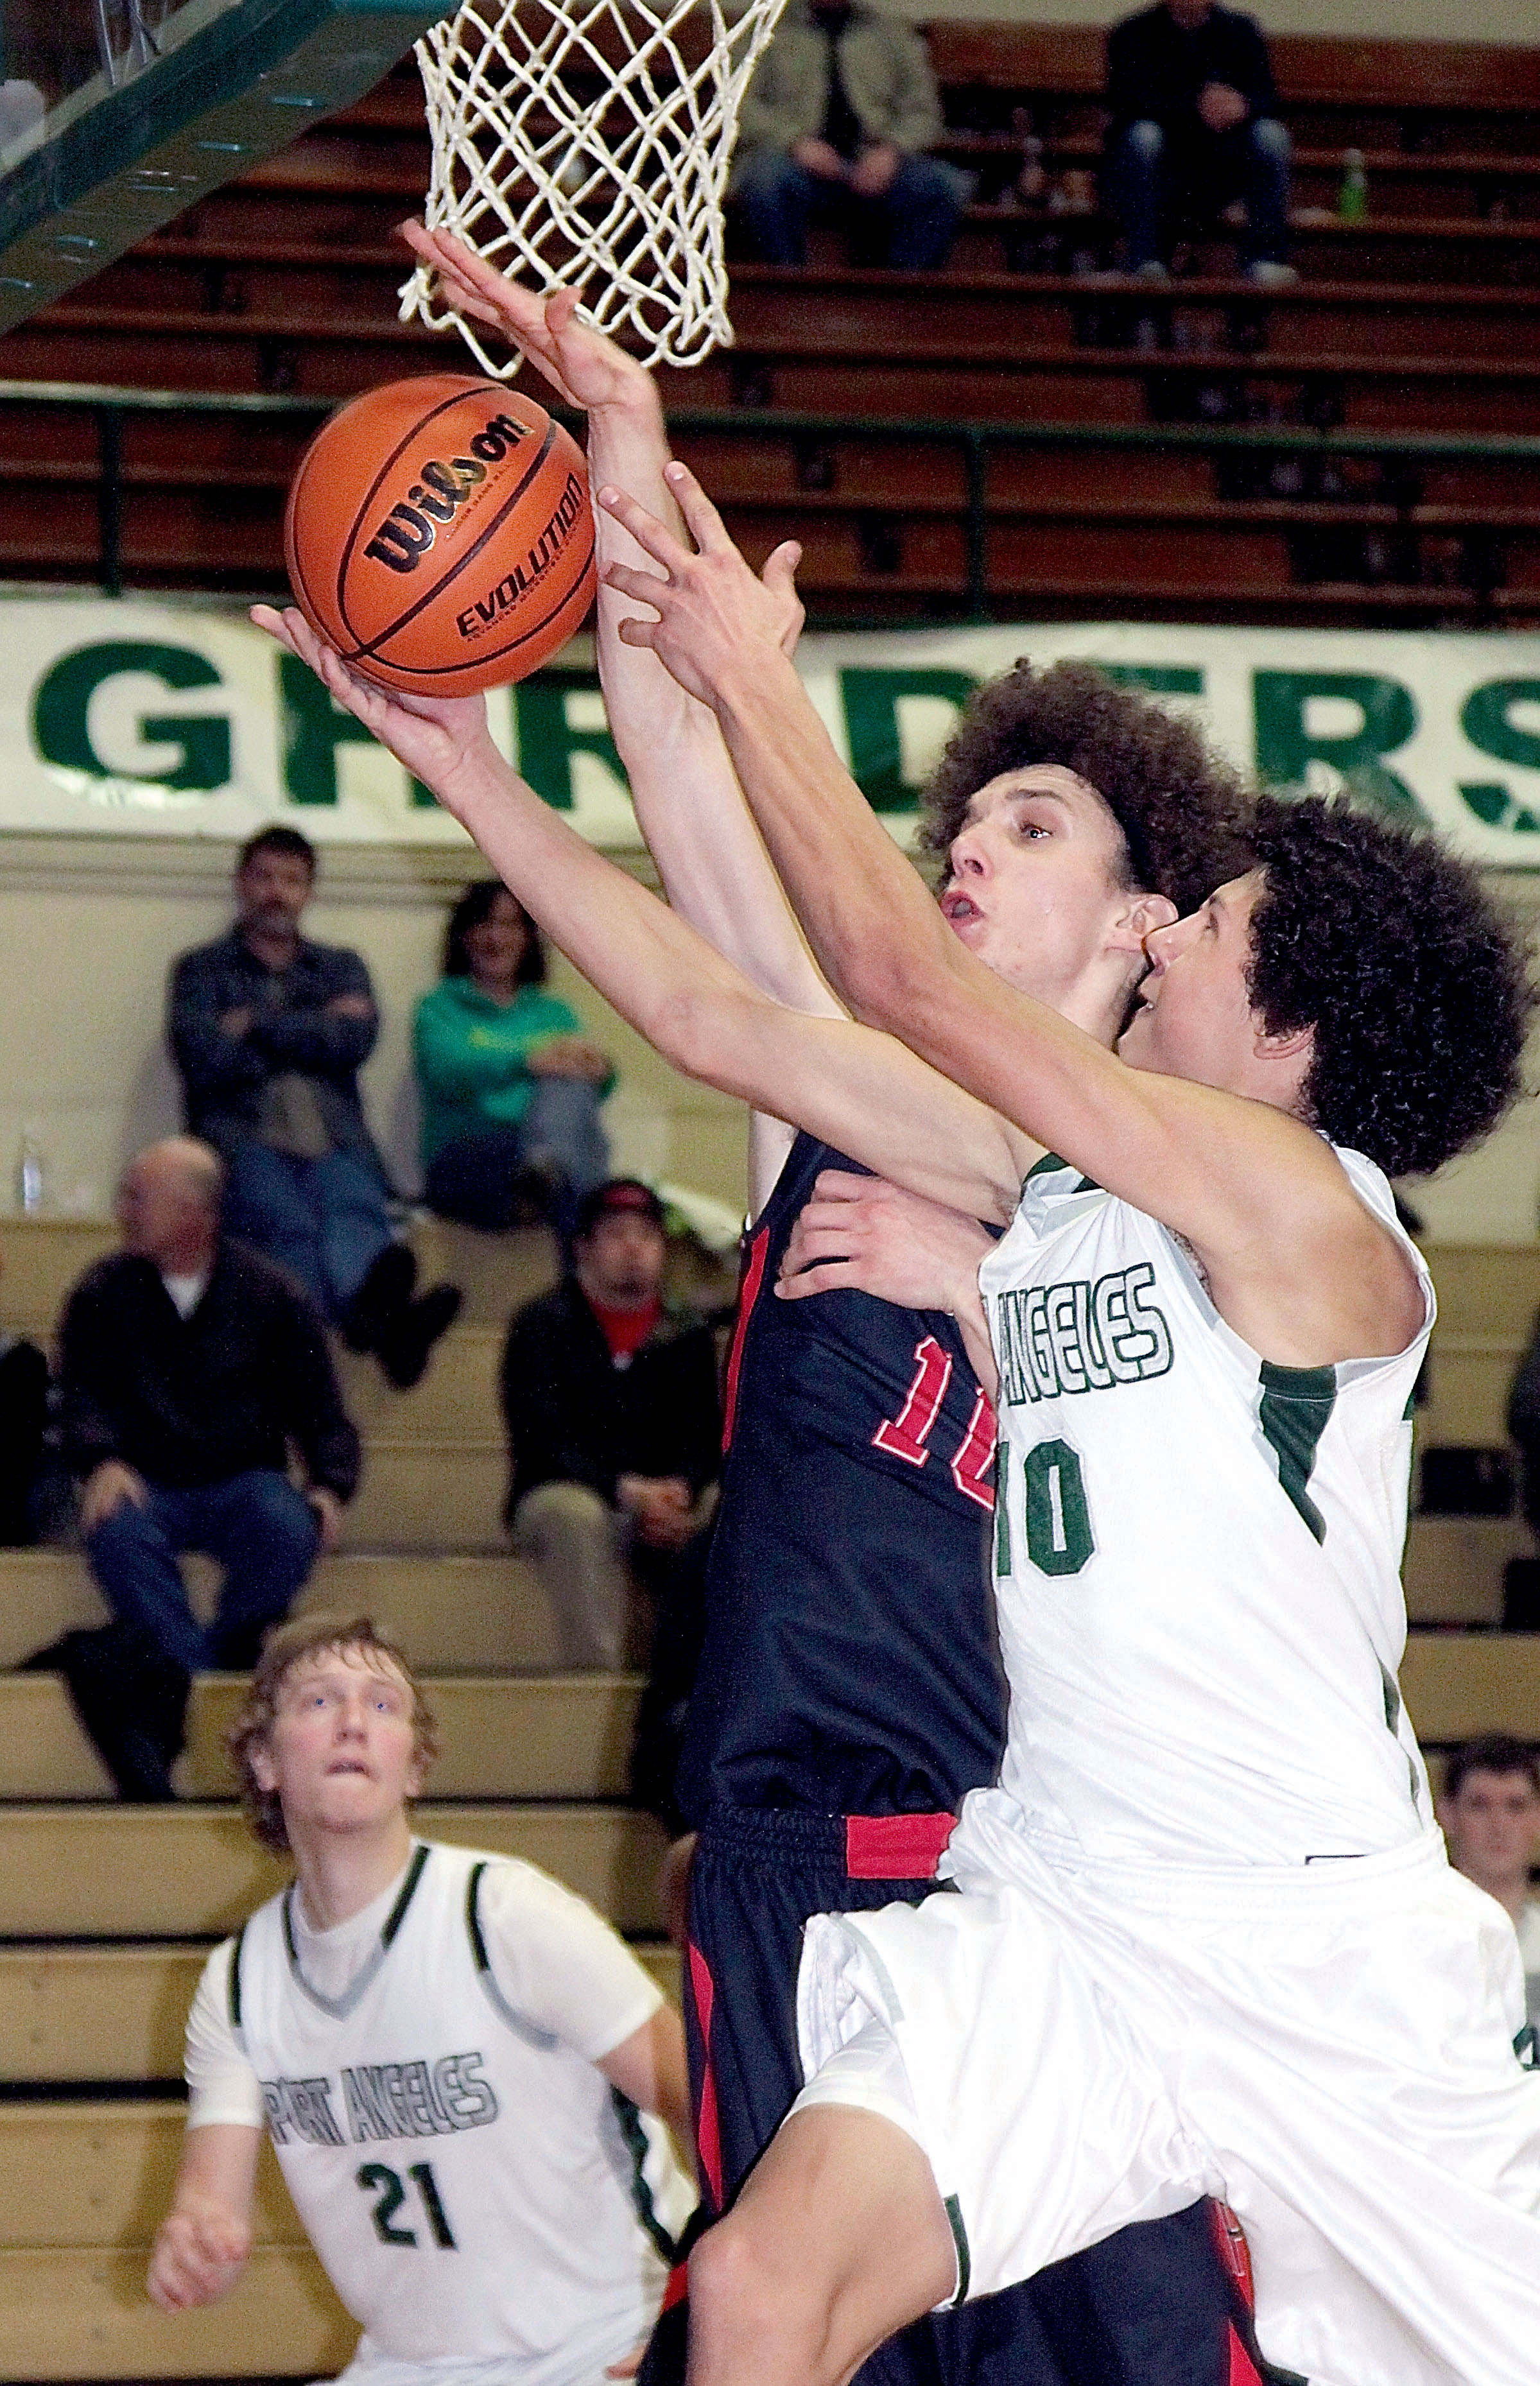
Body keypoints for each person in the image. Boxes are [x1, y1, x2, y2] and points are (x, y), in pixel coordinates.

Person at [379, 230, 1271, 2386]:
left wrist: (999, 1304)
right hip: (796, 1863)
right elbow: (683, 788)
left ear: (1143, 915)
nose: (964, 841)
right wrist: (619, 446)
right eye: (956, 814)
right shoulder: (828, 1112)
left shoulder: (1207, 1197)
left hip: (1059, 1877)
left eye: (1024, 818)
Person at [570, 458, 1540, 2384]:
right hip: (1065, 1906)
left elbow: (887, 976)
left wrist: (765, 682)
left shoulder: (1310, 1211)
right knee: (759, 2294)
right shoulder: (1067, 1202)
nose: (1170, 937)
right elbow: (760, 1017)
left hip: (1318, 1954)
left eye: (1213, 926)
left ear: (1291, 1028)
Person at [146, 1612, 696, 2386]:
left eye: (381, 1705)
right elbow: (211, 2202)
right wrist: (195, 2240)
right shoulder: (238, 1983)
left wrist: (697, 2316)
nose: (351, 1722)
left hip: (604, 2347)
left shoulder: (502, 1914)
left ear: (413, 1768)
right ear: (264, 1761)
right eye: (318, 1702)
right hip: (412, 2366)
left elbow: (705, 2104)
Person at [40, 1137, 359, 1800]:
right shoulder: (101, 1291)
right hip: (144, 1480)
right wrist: (100, 1460)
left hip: (242, 1482)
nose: (122, 1209)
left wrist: (330, 1486)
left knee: (286, 1521)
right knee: (118, 1529)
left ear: (194, 1214)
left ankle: (213, 1657)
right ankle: (206, 1679)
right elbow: (83, 1396)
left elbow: (320, 1408)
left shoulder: (273, 1294)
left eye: (137, 1197)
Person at [169, 823, 460, 1388]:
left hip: (337, 1137)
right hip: (243, 1140)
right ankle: (386, 1329)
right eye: (264, 877)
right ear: (241, 884)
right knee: (291, 1227)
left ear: (309, 891)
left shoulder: (341, 966)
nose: (276, 891)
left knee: (354, 1216)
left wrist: (254, 1024)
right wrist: (312, 1027)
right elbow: (204, 1060)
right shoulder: (200, 970)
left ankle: (370, 1315)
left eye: (291, 879)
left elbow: (353, 1042)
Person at [502, 1180, 722, 1673]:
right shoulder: (540, 1326)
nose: (633, 1248)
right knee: (575, 1515)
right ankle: (591, 1681)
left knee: (725, 1512)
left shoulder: (687, 1333)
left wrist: (679, 1490)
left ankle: (705, 1684)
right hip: (569, 1491)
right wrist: (626, 1491)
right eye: (617, 1234)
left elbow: (704, 1438)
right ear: (584, 1247)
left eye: (646, 1235)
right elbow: (541, 1442)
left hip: (664, 1496)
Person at [415, 879, 614, 1241]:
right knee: (571, 1172)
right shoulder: (438, 1009)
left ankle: (547, 1171)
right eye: (485, 924)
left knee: (574, 1112)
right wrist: (528, 1060)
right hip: (468, 1154)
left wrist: (599, 1069)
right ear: (464, 934)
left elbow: (589, 1093)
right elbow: (448, 1073)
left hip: (547, 1152)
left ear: (528, 937)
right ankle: (551, 1178)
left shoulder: (553, 1013)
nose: (496, 938)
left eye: (509, 925)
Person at [731, 0, 968, 271]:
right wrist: (795, 143)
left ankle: (897, 299)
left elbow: (924, 112)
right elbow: (740, 106)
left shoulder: (891, 33)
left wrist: (892, 151)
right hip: (795, 166)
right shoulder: (765, 30)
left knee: (941, 186)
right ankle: (792, 292)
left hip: (878, 167)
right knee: (765, 181)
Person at [1104, 0, 1295, 287]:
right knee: (1143, 137)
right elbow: (1125, 105)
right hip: (1165, 171)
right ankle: (1145, 259)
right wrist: (1196, 108)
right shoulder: (1131, 33)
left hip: (1223, 169)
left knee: (1272, 136)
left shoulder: (1241, 31)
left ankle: (1265, 259)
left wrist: (1240, 106)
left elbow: (1268, 98)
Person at [1440, 1736, 1540, 2032]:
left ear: (1537, 1817)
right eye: (1479, 1806)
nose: (1499, 1826)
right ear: (1447, 1815)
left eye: (1516, 1806)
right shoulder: (1414, 1939)